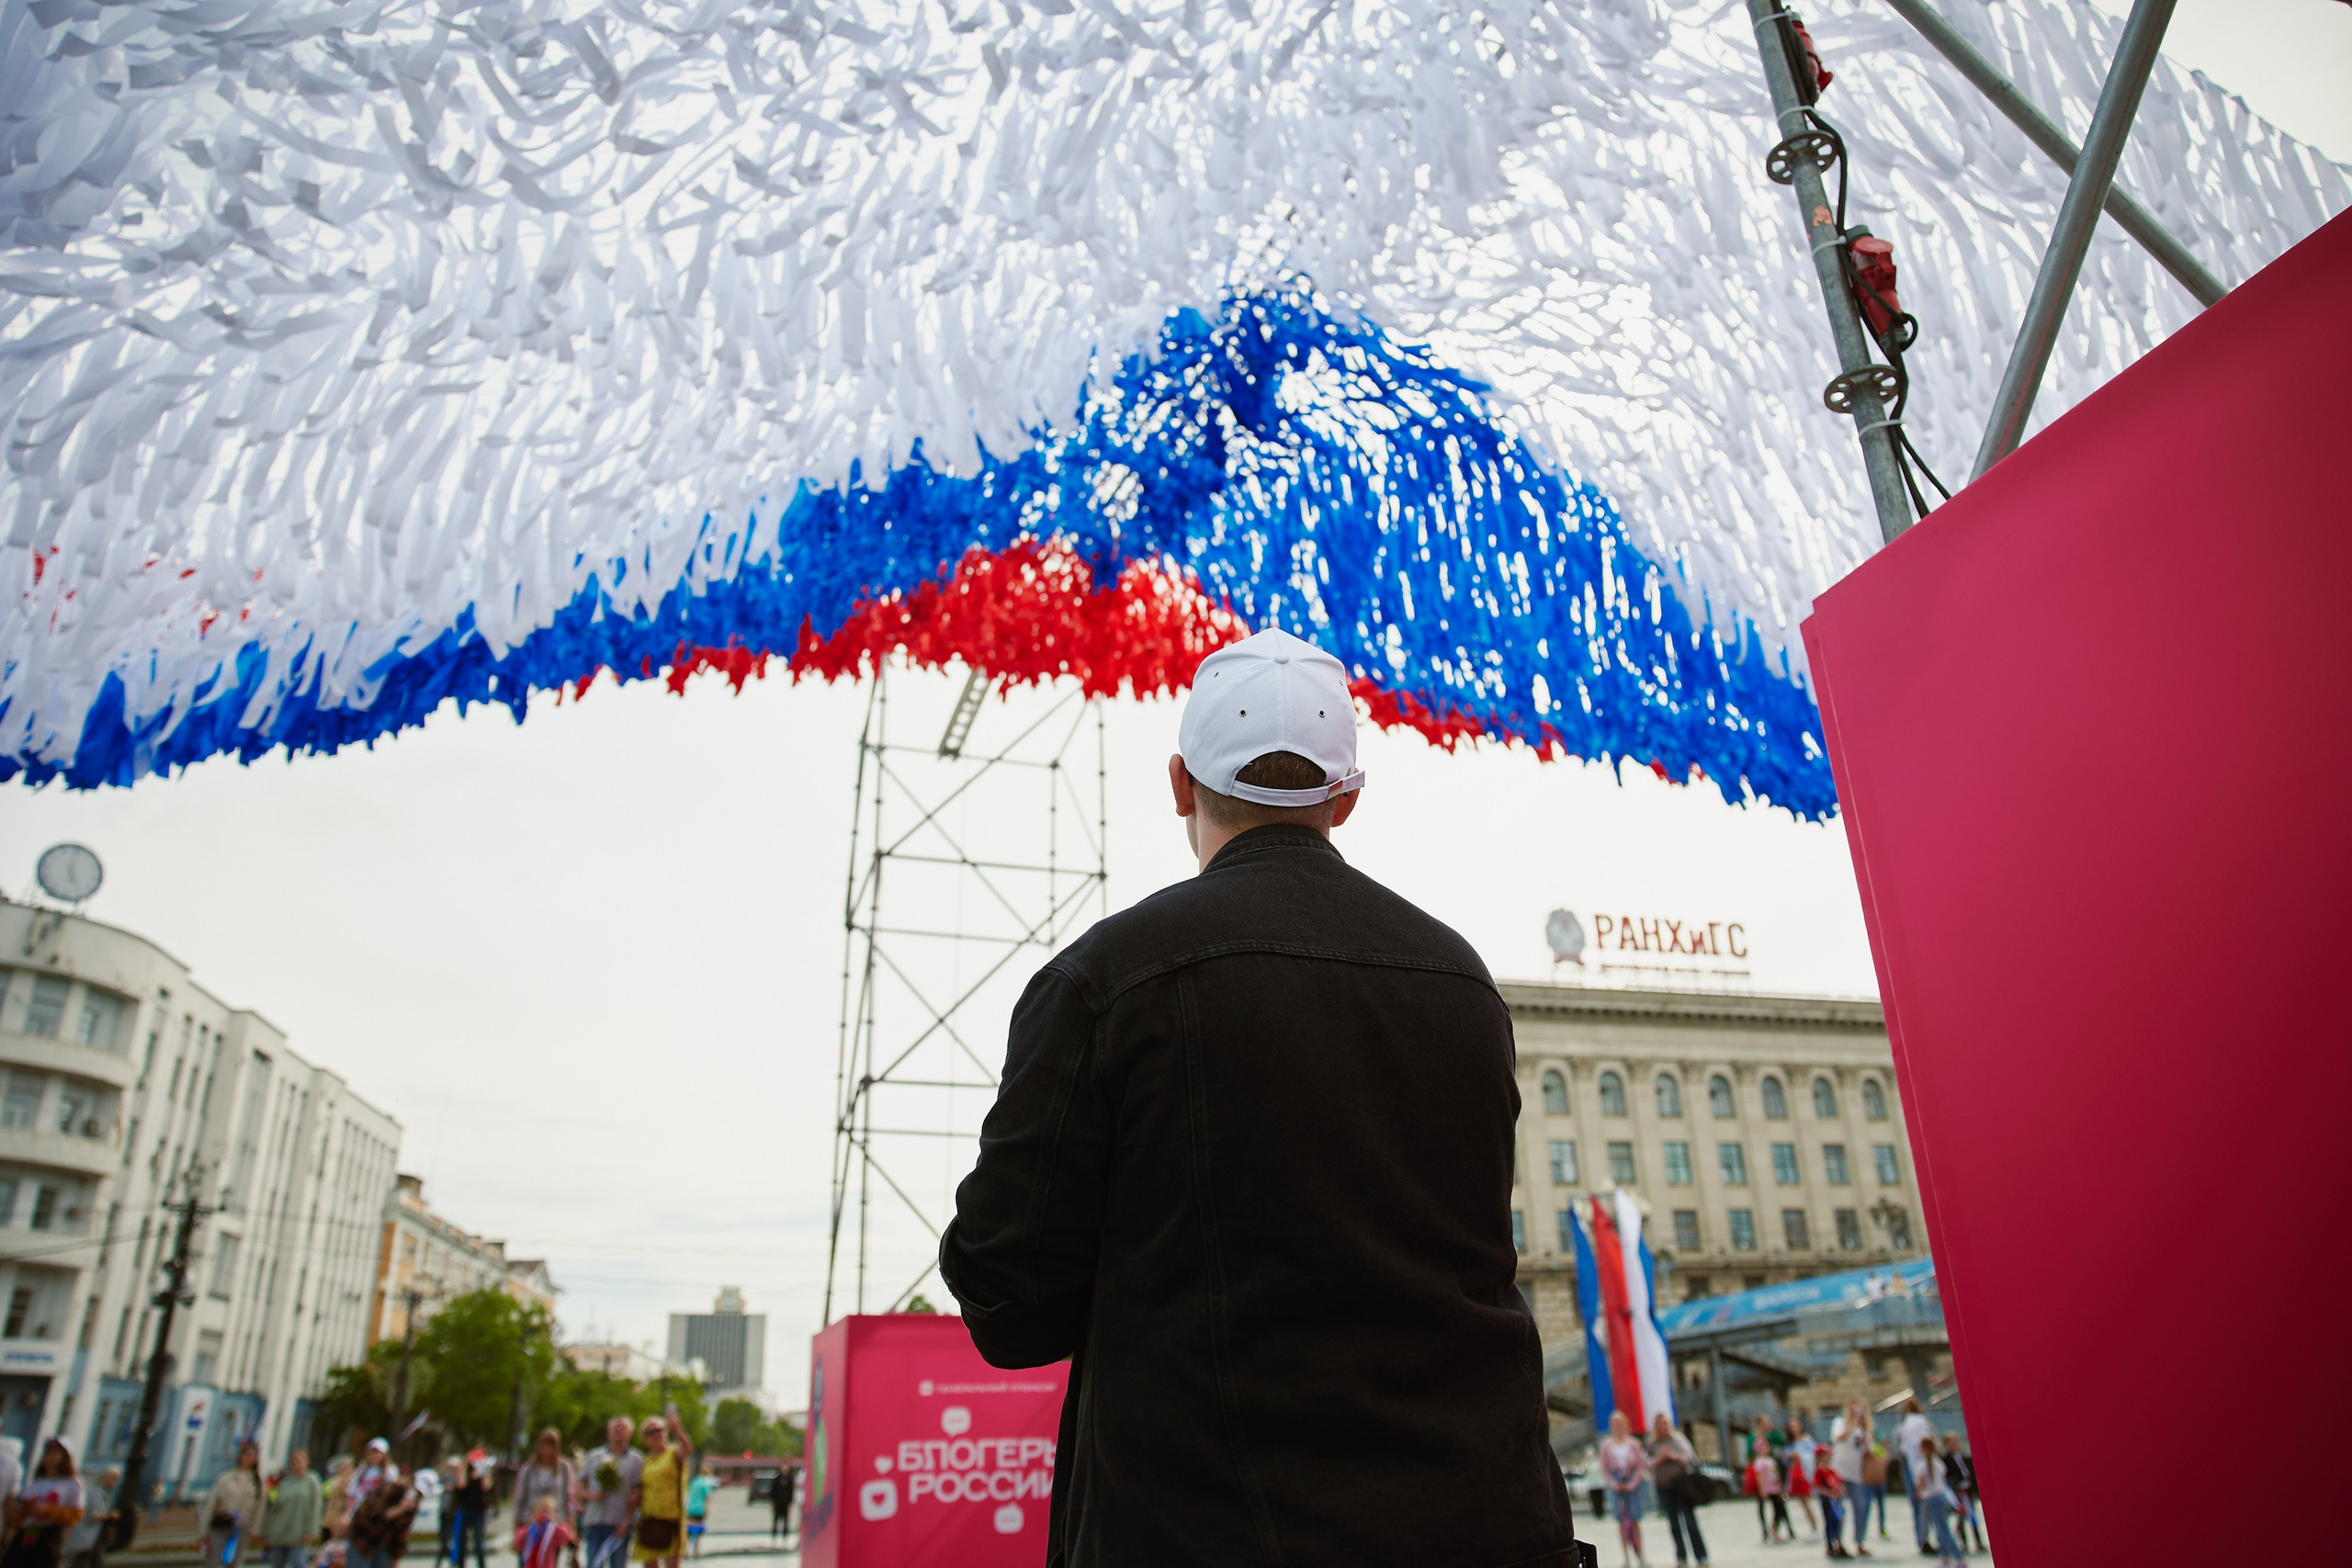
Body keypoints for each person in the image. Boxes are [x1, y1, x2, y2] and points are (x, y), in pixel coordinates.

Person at [942, 626, 1580, 1565]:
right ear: (1347, 799)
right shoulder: (1462, 983)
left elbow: (1008, 1305)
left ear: (1178, 784)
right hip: (1483, 1525)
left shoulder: (1102, 980)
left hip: (1200, 1529)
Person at [4, 1438, 85, 1568]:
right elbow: (19, 1512)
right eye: (48, 1452)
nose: (50, 1457)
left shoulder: (71, 1483)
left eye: (55, 1453)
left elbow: (76, 1514)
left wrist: (49, 1511)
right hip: (28, 1531)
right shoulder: (36, 1483)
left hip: (48, 1534)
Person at [574, 1420, 640, 1568]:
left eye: (622, 1429)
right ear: (608, 1432)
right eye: (615, 1428)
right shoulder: (594, 1456)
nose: (618, 1432)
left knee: (618, 1564)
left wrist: (627, 1521)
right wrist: (590, 1496)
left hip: (619, 1523)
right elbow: (579, 1486)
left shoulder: (635, 1460)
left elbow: (637, 1493)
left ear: (630, 1434)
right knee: (594, 1563)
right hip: (595, 1520)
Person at [626, 1418, 688, 1568]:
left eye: (660, 1430)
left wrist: (677, 1430)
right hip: (649, 1519)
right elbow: (640, 1488)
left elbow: (686, 1449)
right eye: (651, 1432)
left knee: (672, 1563)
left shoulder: (673, 1454)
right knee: (650, 1563)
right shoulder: (645, 1462)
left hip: (671, 1519)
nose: (657, 1434)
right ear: (645, 1439)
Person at [1645, 1414, 1706, 1568]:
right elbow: (1646, 1464)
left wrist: (1673, 1456)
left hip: (1682, 1487)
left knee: (1690, 1522)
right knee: (1674, 1524)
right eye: (1659, 1425)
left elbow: (1690, 1457)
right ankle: (1681, 1556)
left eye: (1665, 1424)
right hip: (1664, 1488)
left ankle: (1701, 1556)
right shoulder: (1652, 1443)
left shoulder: (1677, 1440)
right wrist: (1659, 1459)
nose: (1662, 1427)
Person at [342, 1448, 417, 1568]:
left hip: (381, 1544)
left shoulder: (410, 1505)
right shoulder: (385, 1490)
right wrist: (397, 1510)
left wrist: (395, 1558)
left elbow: (402, 1534)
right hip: (362, 1539)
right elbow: (373, 1515)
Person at [511, 1432, 573, 1568]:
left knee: (549, 1561)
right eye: (544, 1446)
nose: (547, 1450)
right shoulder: (528, 1469)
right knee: (527, 1560)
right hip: (530, 1523)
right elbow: (519, 1498)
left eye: (551, 1446)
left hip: (554, 1525)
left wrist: (571, 1525)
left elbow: (568, 1497)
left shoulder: (563, 1468)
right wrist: (516, 1525)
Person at [1597, 1413, 1649, 1568]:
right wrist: (1613, 1484)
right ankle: (1626, 1557)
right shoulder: (1606, 1445)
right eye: (1615, 1424)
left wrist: (1632, 1483)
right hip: (1616, 1483)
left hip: (1631, 1482)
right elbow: (1604, 1469)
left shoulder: (1634, 1444)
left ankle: (1640, 1554)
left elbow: (1640, 1466)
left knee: (1634, 1518)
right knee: (1621, 1520)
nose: (1618, 1427)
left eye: (1621, 1424)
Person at [204, 1443, 266, 1568]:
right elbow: (211, 1504)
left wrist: (255, 1530)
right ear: (241, 1456)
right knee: (213, 1561)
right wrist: (204, 1531)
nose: (251, 1457)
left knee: (235, 1563)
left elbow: (260, 1509)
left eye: (254, 1455)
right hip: (221, 1525)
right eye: (248, 1454)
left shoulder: (258, 1483)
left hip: (242, 1528)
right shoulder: (226, 1478)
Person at [1906, 1438, 1962, 1568]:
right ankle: (1945, 1556)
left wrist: (1919, 1494)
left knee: (1943, 1530)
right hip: (1942, 1497)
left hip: (1932, 1498)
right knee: (1941, 1529)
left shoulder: (1922, 1465)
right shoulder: (1939, 1463)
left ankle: (1958, 1556)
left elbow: (1920, 1485)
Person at [262, 1452, 323, 1568]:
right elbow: (275, 1509)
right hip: (279, 1531)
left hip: (298, 1532)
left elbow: (315, 1507)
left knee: (298, 1562)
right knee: (277, 1564)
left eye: (300, 1461)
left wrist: (311, 1530)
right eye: (295, 1462)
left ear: (306, 1463)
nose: (297, 1465)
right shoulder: (285, 1484)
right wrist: (267, 1532)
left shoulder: (311, 1482)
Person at [1830, 1402, 1873, 1558]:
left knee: (1861, 1508)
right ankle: (1837, 1542)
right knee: (1840, 1510)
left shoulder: (1863, 1431)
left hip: (1856, 1475)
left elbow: (1869, 1451)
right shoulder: (1840, 1423)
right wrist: (1852, 1426)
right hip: (1840, 1473)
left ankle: (1859, 1542)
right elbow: (1839, 1438)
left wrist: (1865, 1433)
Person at [1894, 1399, 1934, 1554]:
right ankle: (1925, 1539)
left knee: (1917, 1506)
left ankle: (1921, 1538)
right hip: (1919, 1466)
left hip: (1909, 1466)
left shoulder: (1902, 1427)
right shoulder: (1920, 1423)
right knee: (1926, 1504)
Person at [61, 1464, 115, 1568]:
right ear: (105, 1477)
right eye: (113, 1478)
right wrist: (109, 1516)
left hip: (93, 1537)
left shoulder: (104, 1493)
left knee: (90, 1560)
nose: (115, 1481)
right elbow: (93, 1516)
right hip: (88, 1535)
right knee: (84, 1560)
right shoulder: (96, 1493)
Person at [1743, 1429, 1789, 1545]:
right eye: (1763, 1447)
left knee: (1779, 1509)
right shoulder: (1759, 1461)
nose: (1766, 1449)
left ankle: (1775, 1529)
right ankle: (1766, 1530)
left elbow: (1776, 1475)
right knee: (1765, 1508)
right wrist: (1762, 1489)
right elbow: (1759, 1476)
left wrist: (1781, 1487)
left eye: (1767, 1446)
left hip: (1775, 1488)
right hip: (1766, 1488)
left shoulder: (1771, 1460)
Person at [1939, 1436, 1982, 1553]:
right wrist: (1957, 1487)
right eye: (1951, 1444)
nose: (1954, 1446)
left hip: (1968, 1491)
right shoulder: (1945, 1460)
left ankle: (1978, 1541)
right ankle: (1964, 1542)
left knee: (1972, 1517)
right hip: (1958, 1492)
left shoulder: (1965, 1457)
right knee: (1961, 1518)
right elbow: (1947, 1478)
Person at [446, 1452, 490, 1568]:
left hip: (479, 1511)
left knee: (479, 1544)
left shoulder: (483, 1473)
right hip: (464, 1510)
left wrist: (483, 1469)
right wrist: (464, 1465)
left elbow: (487, 1487)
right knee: (461, 1542)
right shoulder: (465, 1471)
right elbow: (461, 1485)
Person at [514, 1498, 575, 1568]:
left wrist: (556, 1523)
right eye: (540, 1510)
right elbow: (517, 1542)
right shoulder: (530, 1530)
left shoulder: (553, 1531)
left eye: (547, 1510)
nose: (543, 1513)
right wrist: (531, 1524)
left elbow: (566, 1535)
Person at [1785, 1415, 1819, 1540]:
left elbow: (1814, 1455)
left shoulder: (1807, 1440)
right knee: (1804, 1503)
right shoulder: (1790, 1444)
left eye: (1796, 1426)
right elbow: (1786, 1460)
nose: (1794, 1429)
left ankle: (1816, 1529)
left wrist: (1799, 1456)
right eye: (1791, 1427)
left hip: (1808, 1475)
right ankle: (1813, 1528)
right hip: (1797, 1477)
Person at [1813, 1449, 1848, 1560]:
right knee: (1829, 1522)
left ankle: (1838, 1543)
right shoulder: (1819, 1472)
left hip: (1837, 1500)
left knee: (1838, 1522)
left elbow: (1839, 1484)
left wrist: (1841, 1491)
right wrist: (1830, 1494)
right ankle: (1830, 1545)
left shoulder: (1832, 1471)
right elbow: (1818, 1487)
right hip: (1828, 1501)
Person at [682, 1470, 716, 1562]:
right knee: (699, 1531)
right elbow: (708, 1497)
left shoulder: (693, 1482)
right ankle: (696, 1552)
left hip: (690, 1508)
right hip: (699, 1509)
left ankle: (685, 1551)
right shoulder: (704, 1484)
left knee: (688, 1531)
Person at [764, 1465, 793, 1543]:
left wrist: (790, 1502)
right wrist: (772, 1501)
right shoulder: (777, 1479)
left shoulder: (789, 1479)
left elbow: (791, 1491)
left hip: (785, 1502)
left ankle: (785, 1536)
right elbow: (773, 1490)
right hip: (778, 1502)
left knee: (786, 1520)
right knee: (776, 1519)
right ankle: (774, 1535)